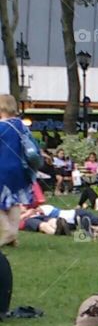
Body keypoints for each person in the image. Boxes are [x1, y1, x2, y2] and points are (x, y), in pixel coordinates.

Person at [0, 94, 40, 249]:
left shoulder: (2, 127)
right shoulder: (22, 126)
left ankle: (8, 232)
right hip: (20, 170)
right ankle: (12, 236)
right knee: (14, 202)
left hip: (2, 168)